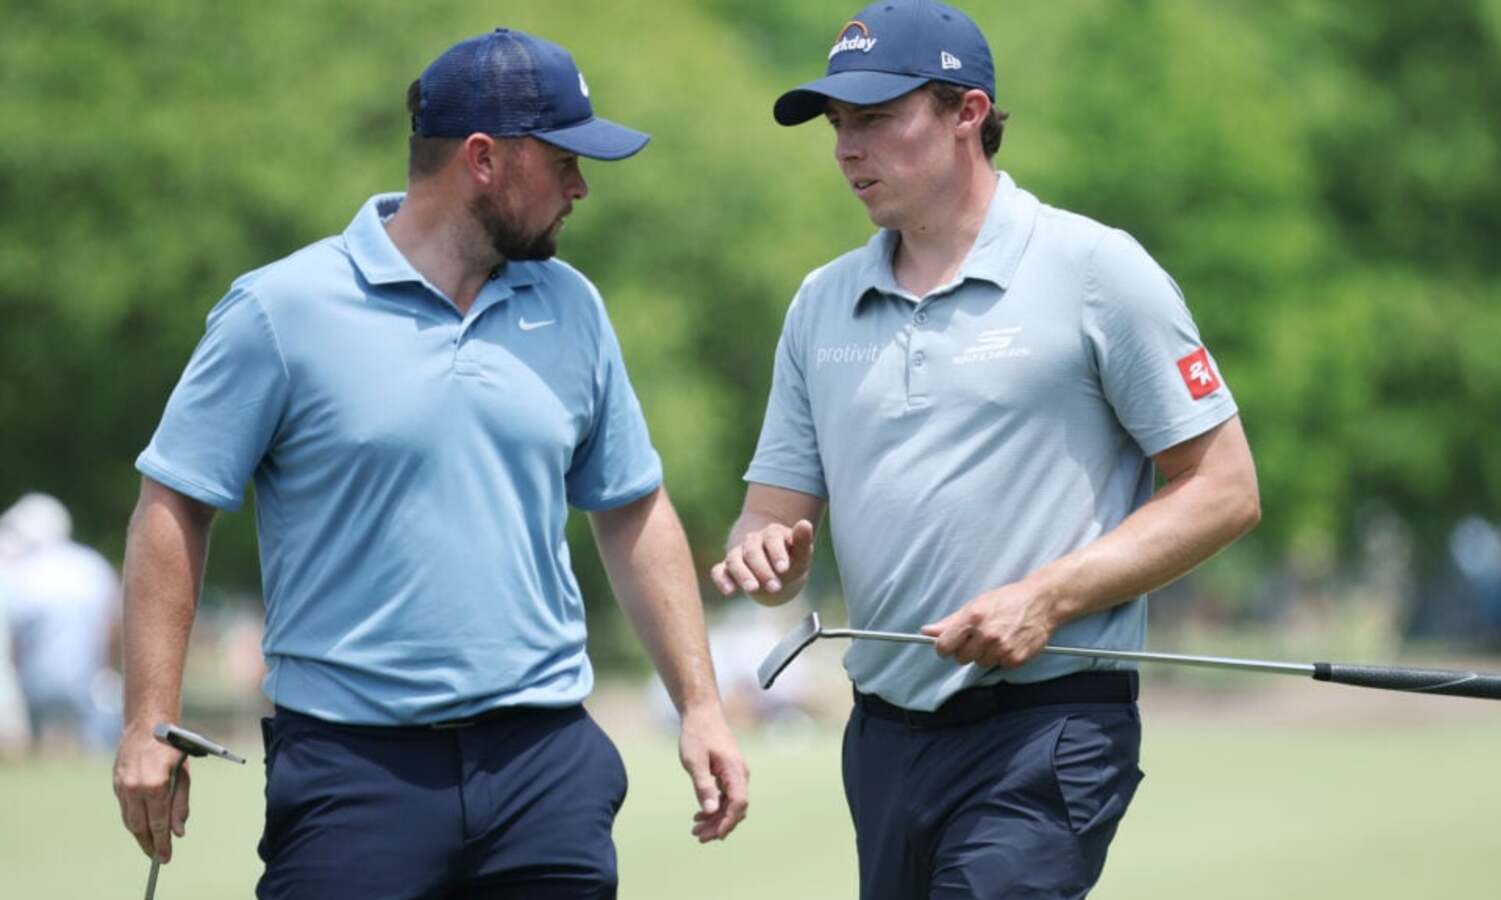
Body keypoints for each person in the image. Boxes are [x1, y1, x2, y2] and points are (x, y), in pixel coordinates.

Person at [112, 27, 748, 899]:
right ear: (484, 160)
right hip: (353, 771)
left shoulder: (573, 304)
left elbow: (631, 509)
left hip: (545, 770)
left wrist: (700, 704)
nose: (580, 186)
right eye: (562, 160)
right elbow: (173, 505)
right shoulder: (280, 310)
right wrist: (149, 719)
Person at [711, 2, 1261, 897]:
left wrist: (1048, 596)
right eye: (838, 125)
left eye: (878, 119)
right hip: (884, 735)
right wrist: (762, 553)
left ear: (969, 113)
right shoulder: (821, 302)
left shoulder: (1095, 269)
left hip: (1048, 727)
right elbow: (771, 519)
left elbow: (1225, 488)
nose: (847, 148)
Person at [0, 492, 122, 754]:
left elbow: (15, 640)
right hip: (90, 679)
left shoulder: (24, 572)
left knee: (40, 748)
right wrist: (105, 670)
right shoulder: (92, 565)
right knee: (87, 747)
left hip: (35, 681)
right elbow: (111, 628)